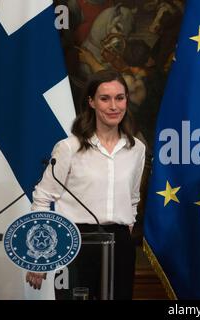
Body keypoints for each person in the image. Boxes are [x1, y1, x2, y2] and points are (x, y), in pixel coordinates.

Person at [25, 69, 146, 300]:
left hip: (119, 245)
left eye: (119, 98)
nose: (114, 106)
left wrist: (126, 227)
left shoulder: (136, 149)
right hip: (76, 242)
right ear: (91, 102)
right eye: (105, 98)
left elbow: (132, 198)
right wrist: (38, 255)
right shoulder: (68, 148)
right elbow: (42, 199)